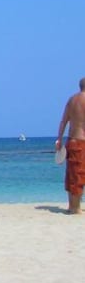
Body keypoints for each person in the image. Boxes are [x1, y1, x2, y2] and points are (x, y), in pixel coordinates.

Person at [57, 78, 85, 214]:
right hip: (82, 141)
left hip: (71, 140)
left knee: (72, 174)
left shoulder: (72, 100)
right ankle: (75, 208)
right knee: (79, 174)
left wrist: (59, 140)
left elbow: (63, 121)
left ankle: (72, 206)